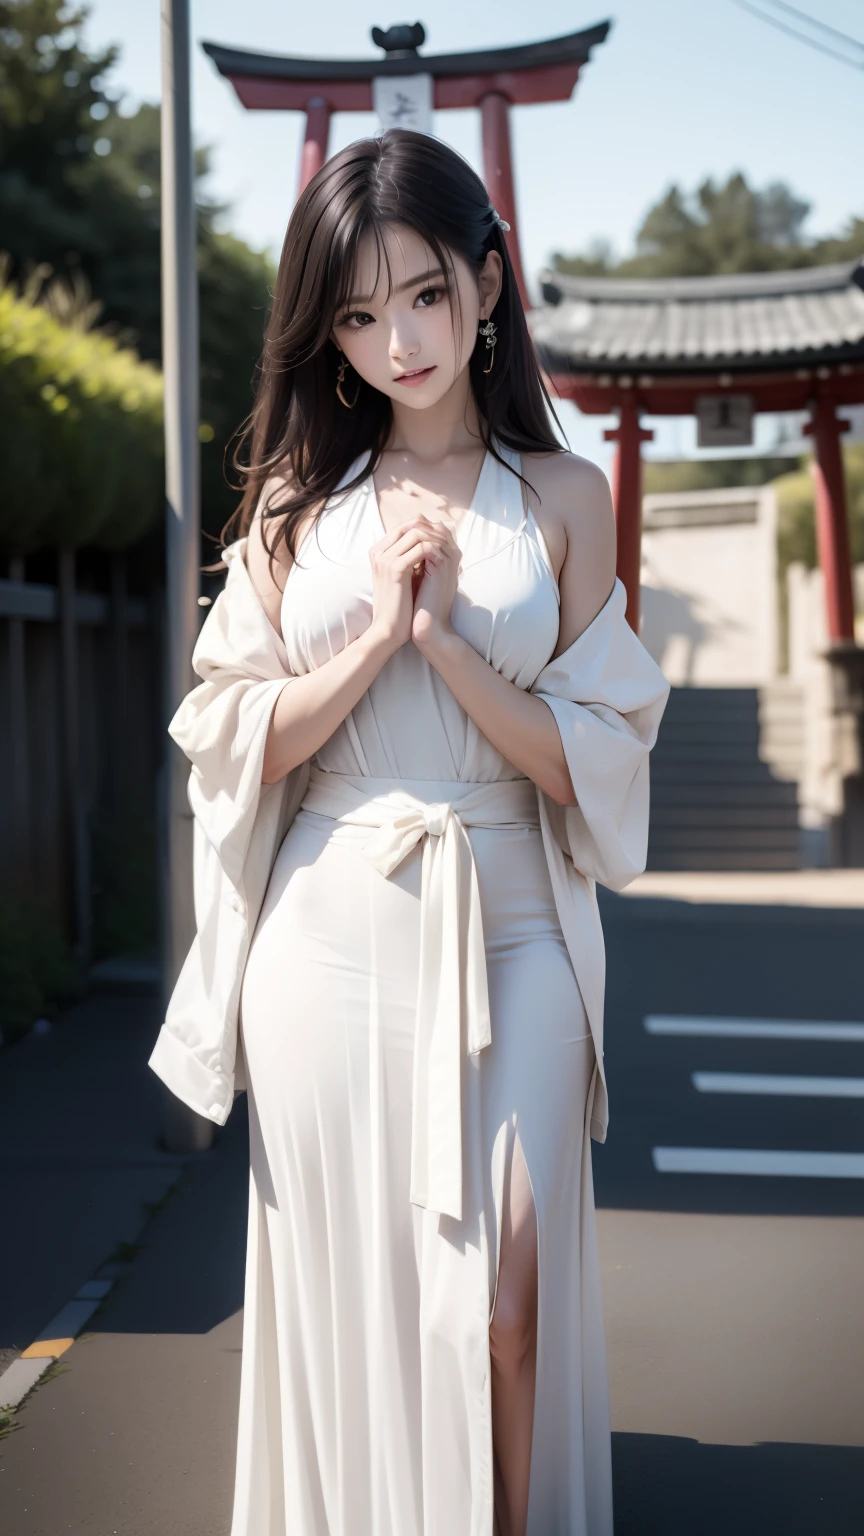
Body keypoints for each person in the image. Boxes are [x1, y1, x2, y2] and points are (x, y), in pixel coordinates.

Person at [149, 128, 669, 1536]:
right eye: (361, 313)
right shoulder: (290, 512)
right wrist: (378, 631)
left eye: (425, 295)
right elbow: (231, 735)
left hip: (512, 919)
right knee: (361, 1289)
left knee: (508, 1297)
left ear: (488, 284)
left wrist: (444, 651)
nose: (398, 339)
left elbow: (594, 759)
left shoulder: (564, 500)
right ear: (329, 331)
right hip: (327, 930)